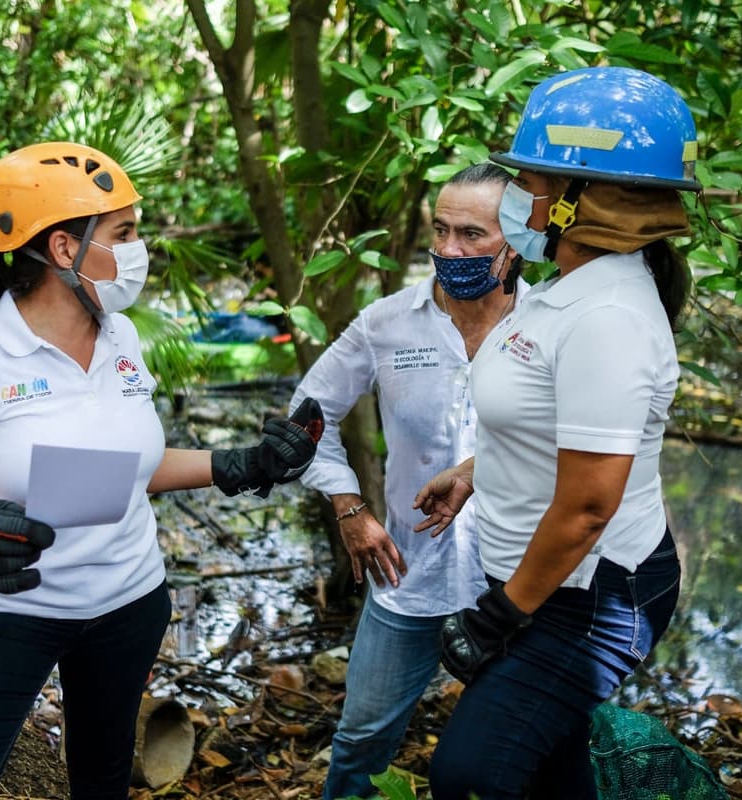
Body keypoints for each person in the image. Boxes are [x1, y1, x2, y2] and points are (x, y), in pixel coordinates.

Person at [0, 141, 323, 800]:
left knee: (101, 781)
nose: (138, 249)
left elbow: (126, 468)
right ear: (65, 249)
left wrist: (241, 463)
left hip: (130, 601)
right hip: (14, 607)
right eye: (123, 233)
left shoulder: (121, 334)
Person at [413, 66, 697, 800]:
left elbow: (589, 505)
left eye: (529, 182)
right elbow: (554, 424)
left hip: (589, 594)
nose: (515, 198)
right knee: (550, 771)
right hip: (546, 579)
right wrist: (477, 468)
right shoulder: (568, 292)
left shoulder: (608, 318)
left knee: (471, 775)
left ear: (581, 200)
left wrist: (501, 616)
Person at [289, 163, 526, 800]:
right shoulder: (387, 323)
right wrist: (348, 507)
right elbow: (304, 417)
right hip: (408, 573)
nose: (450, 249)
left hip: (522, 581)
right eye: (441, 231)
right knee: (362, 740)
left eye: (472, 235)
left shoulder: (548, 323)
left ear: (519, 238)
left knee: (525, 749)